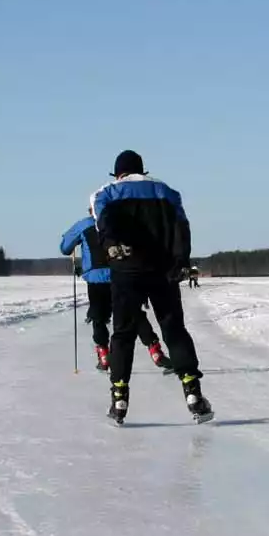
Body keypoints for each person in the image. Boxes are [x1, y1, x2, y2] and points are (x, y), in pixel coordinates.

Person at [90, 149, 212, 424]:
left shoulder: (105, 193)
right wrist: (181, 260)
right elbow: (182, 227)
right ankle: (193, 393)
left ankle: (119, 399)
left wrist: (111, 245)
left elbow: (102, 222)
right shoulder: (167, 192)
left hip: (126, 271)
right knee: (174, 330)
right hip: (163, 270)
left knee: (122, 334)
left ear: (118, 173)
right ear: (142, 170)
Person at [59, 213, 172, 374]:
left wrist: (68, 239)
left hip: (96, 277)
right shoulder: (119, 219)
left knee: (98, 317)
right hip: (119, 274)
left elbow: (65, 248)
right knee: (133, 313)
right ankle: (155, 350)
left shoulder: (84, 225)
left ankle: (104, 355)